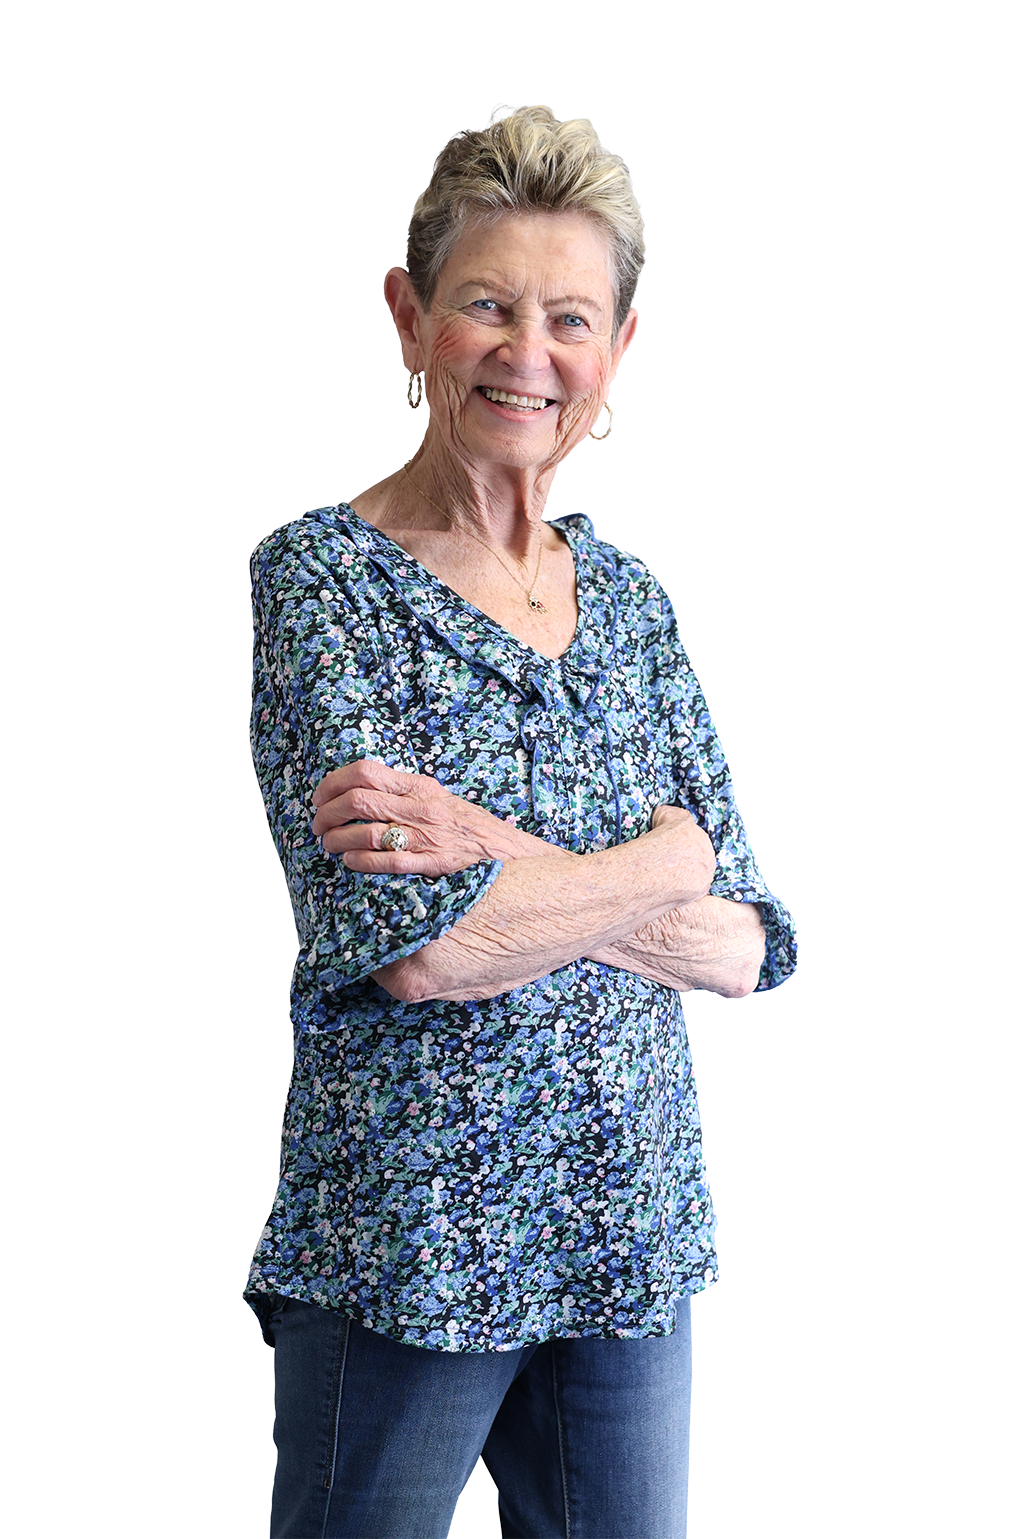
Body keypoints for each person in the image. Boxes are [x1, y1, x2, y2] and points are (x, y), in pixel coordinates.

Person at [245, 106, 797, 1539]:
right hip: (408, 1242)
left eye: (567, 317)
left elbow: (742, 947)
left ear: (612, 357)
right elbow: (417, 955)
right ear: (410, 316)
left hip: (629, 1231)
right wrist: (658, 863)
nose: (524, 351)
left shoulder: (631, 604)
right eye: (486, 304)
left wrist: (511, 857)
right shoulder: (323, 587)